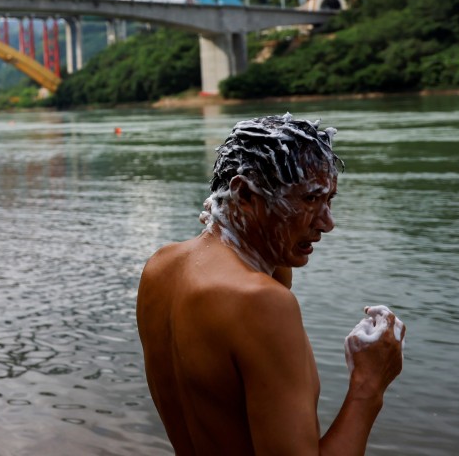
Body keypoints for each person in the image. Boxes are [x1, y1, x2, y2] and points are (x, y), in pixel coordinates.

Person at [137, 114, 405, 455]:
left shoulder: (160, 267)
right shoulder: (262, 304)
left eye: (329, 200)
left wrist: (259, 238)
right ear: (244, 195)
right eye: (309, 200)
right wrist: (369, 384)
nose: (327, 223)